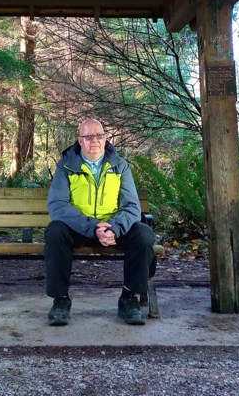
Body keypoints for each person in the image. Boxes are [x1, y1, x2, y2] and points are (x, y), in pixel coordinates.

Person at [44, 118, 155, 326]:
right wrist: (92, 226)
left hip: (114, 228)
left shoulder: (120, 166)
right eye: (88, 136)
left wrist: (113, 227)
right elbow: (58, 205)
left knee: (144, 234)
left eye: (99, 135)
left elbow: (131, 206)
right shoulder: (66, 166)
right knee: (55, 231)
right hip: (79, 228)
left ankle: (129, 298)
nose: (94, 140)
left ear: (105, 139)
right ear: (80, 140)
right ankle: (60, 300)